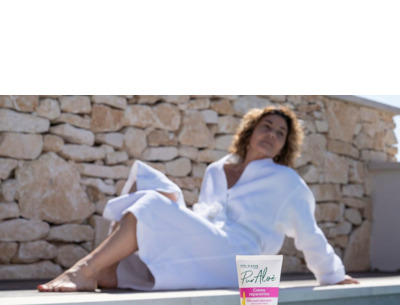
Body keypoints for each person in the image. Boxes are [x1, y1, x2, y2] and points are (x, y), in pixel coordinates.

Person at [38, 105, 359, 292]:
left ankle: (84, 271)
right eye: (267, 126)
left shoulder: (286, 181)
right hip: (210, 243)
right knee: (147, 185)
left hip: (242, 261)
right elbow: (206, 213)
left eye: (280, 133)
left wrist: (333, 275)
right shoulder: (217, 169)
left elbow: (309, 234)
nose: (272, 134)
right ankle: (110, 270)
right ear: (250, 131)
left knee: (153, 205)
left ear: (284, 146)